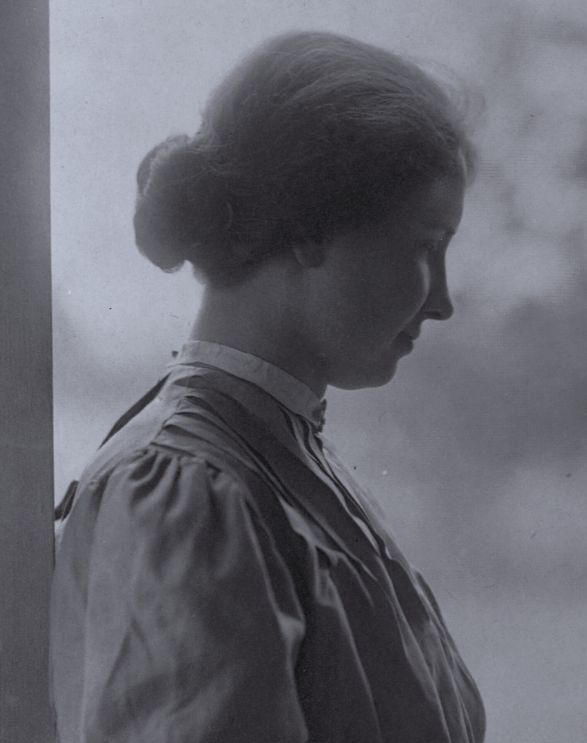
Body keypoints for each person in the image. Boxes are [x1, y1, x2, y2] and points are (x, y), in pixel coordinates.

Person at [50, 31, 484, 742]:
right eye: (424, 247)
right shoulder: (191, 491)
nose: (441, 300)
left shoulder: (278, 455)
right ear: (311, 231)